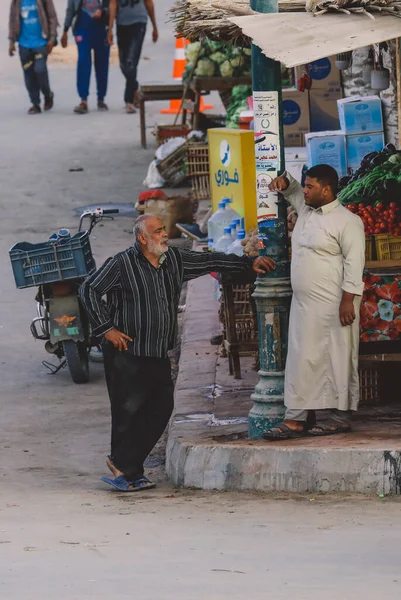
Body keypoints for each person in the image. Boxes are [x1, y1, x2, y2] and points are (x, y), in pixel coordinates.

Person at [79, 213, 275, 491]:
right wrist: (106, 329)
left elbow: (211, 260)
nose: (164, 235)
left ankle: (123, 464)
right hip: (126, 351)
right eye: (157, 231)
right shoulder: (122, 264)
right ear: (142, 238)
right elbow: (88, 290)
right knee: (128, 411)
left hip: (158, 349)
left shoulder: (175, 260)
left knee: (161, 407)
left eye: (163, 230)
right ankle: (127, 469)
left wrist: (248, 263)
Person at [263, 164, 365, 440]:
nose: (305, 191)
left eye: (311, 187)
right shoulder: (306, 209)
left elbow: (355, 266)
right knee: (301, 360)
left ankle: (339, 417)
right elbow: (293, 189)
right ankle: (295, 419)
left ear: (327, 189)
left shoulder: (348, 222)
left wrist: (348, 301)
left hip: (335, 305)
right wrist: (285, 183)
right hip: (304, 305)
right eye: (305, 186)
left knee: (338, 358)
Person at [107, 0, 158, 114]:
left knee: (131, 62)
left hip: (139, 22)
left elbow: (149, 3)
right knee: (123, 65)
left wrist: (154, 26)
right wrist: (110, 29)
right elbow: (113, 4)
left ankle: (128, 101)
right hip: (122, 24)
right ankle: (135, 88)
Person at [8, 0, 57, 114]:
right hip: (24, 44)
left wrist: (52, 38)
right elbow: (12, 19)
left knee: (40, 70)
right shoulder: (16, 2)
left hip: (40, 43)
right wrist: (11, 41)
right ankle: (35, 103)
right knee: (29, 74)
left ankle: (47, 94)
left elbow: (52, 17)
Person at [61, 0, 110, 114]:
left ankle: (101, 98)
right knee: (83, 61)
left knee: (102, 63)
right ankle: (83, 100)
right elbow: (70, 10)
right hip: (82, 28)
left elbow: (112, 7)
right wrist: (65, 30)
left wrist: (103, 12)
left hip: (101, 29)